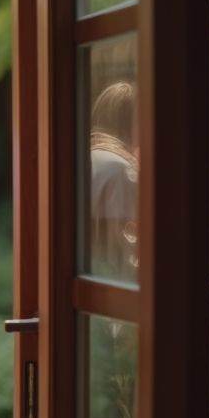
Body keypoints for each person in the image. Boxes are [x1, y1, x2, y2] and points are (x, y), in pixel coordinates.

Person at [89, 80, 139, 280]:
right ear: (130, 122)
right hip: (112, 285)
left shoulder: (83, 157)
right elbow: (123, 249)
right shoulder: (120, 168)